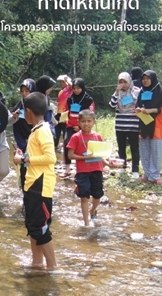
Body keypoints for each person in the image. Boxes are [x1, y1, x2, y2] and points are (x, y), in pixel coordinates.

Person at [14, 92, 57, 270]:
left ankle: (53, 266)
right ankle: (37, 262)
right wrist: (23, 156)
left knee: (40, 227)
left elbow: (50, 157)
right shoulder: (37, 130)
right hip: (32, 184)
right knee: (32, 226)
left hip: (41, 185)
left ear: (28, 111)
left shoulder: (43, 131)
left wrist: (25, 160)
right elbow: (37, 155)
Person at [66, 110, 107, 226]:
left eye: (89, 121)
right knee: (84, 197)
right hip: (82, 171)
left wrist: (107, 162)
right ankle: (86, 223)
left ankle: (93, 210)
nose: (86, 124)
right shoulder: (75, 137)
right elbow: (70, 155)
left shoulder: (97, 136)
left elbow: (100, 153)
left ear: (94, 122)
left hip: (96, 169)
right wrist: (84, 158)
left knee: (97, 195)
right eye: (83, 121)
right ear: (78, 122)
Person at [135, 70, 162, 185]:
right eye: (143, 79)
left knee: (156, 151)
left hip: (157, 125)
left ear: (153, 79)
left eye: (148, 78)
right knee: (144, 149)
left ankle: (155, 176)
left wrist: (151, 110)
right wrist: (138, 110)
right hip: (144, 124)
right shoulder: (141, 92)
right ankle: (147, 174)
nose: (145, 81)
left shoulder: (161, 92)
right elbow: (137, 106)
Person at [109, 72, 141, 178]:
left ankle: (135, 169)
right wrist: (117, 91)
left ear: (129, 81)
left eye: (124, 82)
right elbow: (112, 105)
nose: (123, 84)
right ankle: (122, 166)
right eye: (120, 82)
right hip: (120, 124)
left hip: (133, 124)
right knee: (121, 147)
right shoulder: (117, 93)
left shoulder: (136, 91)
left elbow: (141, 105)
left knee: (134, 147)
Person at [62, 78, 94, 178]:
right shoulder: (70, 98)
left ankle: (85, 167)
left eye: (78, 88)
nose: (76, 90)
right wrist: (66, 121)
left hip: (85, 126)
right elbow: (67, 112)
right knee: (67, 144)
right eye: (74, 88)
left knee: (85, 145)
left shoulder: (88, 100)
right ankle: (67, 168)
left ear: (82, 88)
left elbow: (91, 115)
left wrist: (80, 127)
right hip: (71, 125)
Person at [10, 79, 37, 190]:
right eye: (22, 91)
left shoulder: (37, 105)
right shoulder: (19, 105)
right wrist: (14, 116)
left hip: (34, 140)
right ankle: (24, 188)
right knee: (23, 164)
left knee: (34, 163)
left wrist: (30, 139)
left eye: (27, 91)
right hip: (22, 140)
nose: (24, 93)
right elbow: (14, 125)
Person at [55, 75, 72, 149]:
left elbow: (72, 86)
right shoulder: (60, 92)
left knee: (65, 131)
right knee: (56, 131)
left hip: (66, 114)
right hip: (59, 113)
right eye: (60, 82)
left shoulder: (70, 90)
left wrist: (68, 81)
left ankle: (66, 147)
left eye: (63, 82)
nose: (61, 83)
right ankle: (55, 146)